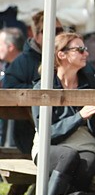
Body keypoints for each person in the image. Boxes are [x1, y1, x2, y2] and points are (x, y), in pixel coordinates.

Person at [31, 32, 95, 195]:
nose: (86, 54)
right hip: (50, 147)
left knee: (86, 164)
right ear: (61, 54)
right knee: (68, 156)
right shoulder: (43, 87)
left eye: (85, 49)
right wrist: (80, 116)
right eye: (80, 49)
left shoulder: (93, 84)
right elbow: (48, 134)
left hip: (87, 147)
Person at [4, 11, 64, 153]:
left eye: (60, 30)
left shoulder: (69, 58)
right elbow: (9, 90)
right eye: (49, 31)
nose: (56, 35)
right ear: (36, 35)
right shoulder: (22, 62)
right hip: (30, 134)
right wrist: (41, 90)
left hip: (66, 132)